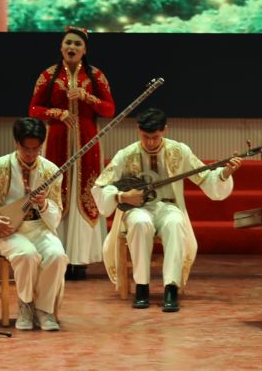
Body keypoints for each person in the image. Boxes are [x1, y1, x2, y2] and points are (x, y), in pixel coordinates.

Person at [93, 108, 240, 312]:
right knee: (140, 223)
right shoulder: (126, 155)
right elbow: (100, 186)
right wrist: (122, 197)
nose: (150, 142)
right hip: (139, 208)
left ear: (165, 130)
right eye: (146, 137)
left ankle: (171, 288)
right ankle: (142, 287)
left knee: (175, 223)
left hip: (169, 206)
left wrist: (224, 173)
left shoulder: (179, 151)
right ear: (138, 130)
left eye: (155, 137)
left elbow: (205, 177)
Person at [29, 26, 116, 281]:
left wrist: (88, 97)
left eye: (78, 44)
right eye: (68, 43)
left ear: (84, 50)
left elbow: (109, 109)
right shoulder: (48, 75)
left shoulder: (96, 76)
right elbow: (34, 108)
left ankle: (81, 260)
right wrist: (58, 113)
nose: (72, 47)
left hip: (88, 142)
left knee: (84, 194)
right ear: (61, 47)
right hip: (57, 141)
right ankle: (58, 257)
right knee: (58, 193)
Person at [0, 116, 69, 332]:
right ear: (16, 142)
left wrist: (44, 204)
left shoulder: (50, 170)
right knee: (26, 254)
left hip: (39, 227)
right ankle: (26, 305)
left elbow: (56, 214)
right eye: (26, 148)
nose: (31, 154)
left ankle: (44, 309)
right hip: (7, 230)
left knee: (57, 255)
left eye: (36, 149)